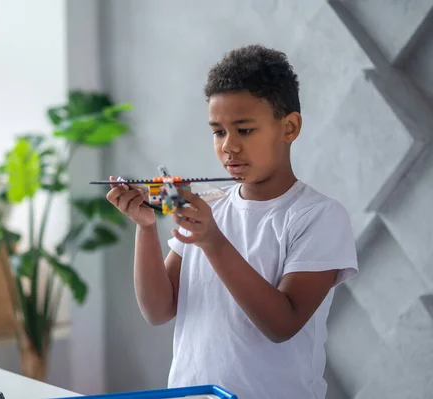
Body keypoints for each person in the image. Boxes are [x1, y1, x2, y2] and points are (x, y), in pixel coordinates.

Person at [105, 44, 358, 399]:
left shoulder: (319, 217)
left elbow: (281, 324)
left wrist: (213, 242)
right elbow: (159, 310)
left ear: (289, 127)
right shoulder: (210, 205)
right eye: (218, 131)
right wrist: (146, 227)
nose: (229, 146)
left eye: (245, 130)